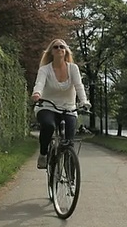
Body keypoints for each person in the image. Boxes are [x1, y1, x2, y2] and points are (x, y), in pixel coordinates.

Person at [32, 39, 90, 169]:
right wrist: (37, 94)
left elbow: (79, 86)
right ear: (51, 52)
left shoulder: (73, 68)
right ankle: (43, 154)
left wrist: (84, 101)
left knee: (69, 143)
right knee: (48, 126)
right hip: (47, 106)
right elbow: (39, 83)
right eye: (56, 47)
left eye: (62, 47)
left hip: (68, 108)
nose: (59, 49)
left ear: (66, 51)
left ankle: (71, 179)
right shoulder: (45, 69)